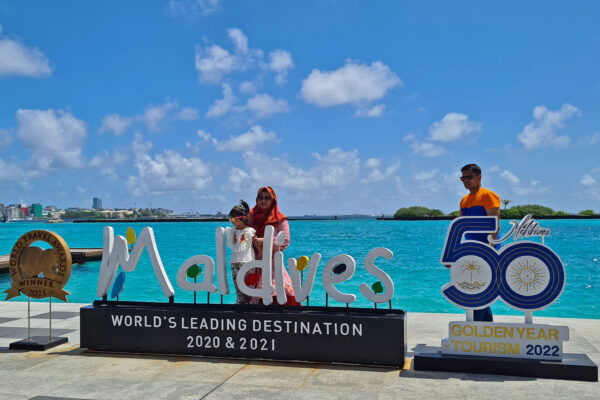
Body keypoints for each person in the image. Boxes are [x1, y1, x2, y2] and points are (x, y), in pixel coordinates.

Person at [452, 163, 501, 322]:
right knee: (473, 289)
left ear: (479, 176)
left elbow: (494, 225)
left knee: (480, 290)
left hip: (488, 250)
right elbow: (462, 227)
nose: (466, 180)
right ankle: (481, 329)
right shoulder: (464, 200)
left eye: (469, 177)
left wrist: (491, 250)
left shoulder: (488, 196)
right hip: (471, 252)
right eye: (463, 178)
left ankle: (483, 328)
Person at [249, 186, 297, 306]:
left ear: (273, 200)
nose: (263, 200)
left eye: (267, 198)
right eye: (260, 197)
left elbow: (285, 241)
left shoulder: (280, 219)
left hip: (273, 265)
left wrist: (260, 240)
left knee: (278, 297)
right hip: (252, 264)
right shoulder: (251, 218)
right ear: (256, 199)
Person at [225, 200, 256, 304]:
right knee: (237, 282)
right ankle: (240, 300)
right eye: (231, 218)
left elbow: (255, 243)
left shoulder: (249, 231)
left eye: (234, 218)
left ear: (243, 218)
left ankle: (251, 300)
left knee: (249, 282)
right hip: (234, 261)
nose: (232, 221)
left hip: (247, 261)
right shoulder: (232, 231)